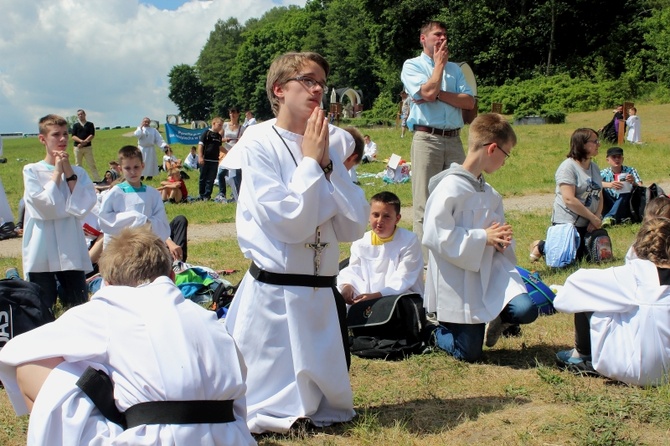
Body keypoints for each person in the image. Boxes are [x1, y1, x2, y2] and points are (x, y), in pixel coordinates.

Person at [0, 225, 255, 445]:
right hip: (231, 435)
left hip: (156, 438)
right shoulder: (208, 319)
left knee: (29, 368)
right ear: (172, 277)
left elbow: (19, 349)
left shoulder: (109, 307)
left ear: (107, 283)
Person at [223, 51, 369, 434]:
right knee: (264, 393)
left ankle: (318, 408)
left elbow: (354, 224)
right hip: (276, 290)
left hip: (320, 289)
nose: (318, 88)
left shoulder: (333, 141)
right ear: (279, 89)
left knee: (326, 403)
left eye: (322, 81)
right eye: (307, 80)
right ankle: (276, 412)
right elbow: (286, 222)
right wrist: (309, 163)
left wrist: (326, 165)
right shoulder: (257, 142)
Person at [423, 113, 539, 362]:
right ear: (493, 148)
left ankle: (498, 316)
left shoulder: (490, 193)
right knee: (469, 353)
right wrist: (481, 237)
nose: (506, 161)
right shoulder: (449, 189)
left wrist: (502, 240)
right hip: (458, 279)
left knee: (526, 310)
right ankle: (432, 331)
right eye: (506, 154)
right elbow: (435, 236)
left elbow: (497, 232)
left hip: (489, 268)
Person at [554, 217, 670, 386]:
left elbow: (575, 287)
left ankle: (583, 355)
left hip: (632, 371)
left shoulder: (634, 274)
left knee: (590, 294)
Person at [401, 20, 476, 262]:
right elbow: (426, 93)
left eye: (445, 34)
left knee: (461, 196)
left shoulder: (456, 69)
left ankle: (455, 256)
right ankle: (425, 263)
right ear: (423, 39)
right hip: (426, 139)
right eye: (437, 35)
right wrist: (438, 68)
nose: (442, 39)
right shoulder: (412, 66)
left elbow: (469, 102)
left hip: (454, 139)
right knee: (424, 202)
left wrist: (438, 94)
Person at [22, 114, 96, 309]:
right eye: (56, 135)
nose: (62, 139)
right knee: (43, 307)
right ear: (43, 139)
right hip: (42, 247)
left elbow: (83, 206)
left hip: (70, 245)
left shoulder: (78, 172)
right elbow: (43, 208)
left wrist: (68, 171)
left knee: (78, 304)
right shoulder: (32, 171)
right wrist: (56, 172)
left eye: (65, 134)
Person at [99, 145, 184, 262]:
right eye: (127, 168)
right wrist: (135, 219)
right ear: (120, 169)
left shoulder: (152, 193)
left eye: (136, 167)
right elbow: (105, 220)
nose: (133, 172)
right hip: (121, 252)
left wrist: (147, 223)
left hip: (147, 248)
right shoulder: (115, 193)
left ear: (143, 166)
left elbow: (162, 224)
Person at [530, 128, 604, 263]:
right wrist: (592, 217)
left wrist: (596, 218)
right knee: (567, 260)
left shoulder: (594, 167)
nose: (598, 144)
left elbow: (599, 193)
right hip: (569, 222)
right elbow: (569, 199)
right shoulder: (568, 167)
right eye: (595, 141)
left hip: (590, 222)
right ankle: (542, 246)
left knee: (591, 258)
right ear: (582, 144)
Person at [338, 191, 423, 305]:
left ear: (397, 218)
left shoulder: (408, 240)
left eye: (386, 216)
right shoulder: (361, 241)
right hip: (366, 297)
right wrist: (348, 286)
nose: (379, 221)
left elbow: (405, 277)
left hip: (398, 298)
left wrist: (377, 296)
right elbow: (354, 269)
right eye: (376, 215)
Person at [599, 146, 643, 226]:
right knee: (599, 190)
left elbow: (640, 187)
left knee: (627, 190)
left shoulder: (630, 170)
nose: (617, 159)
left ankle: (609, 217)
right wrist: (610, 185)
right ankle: (612, 216)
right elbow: (594, 184)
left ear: (622, 159)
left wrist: (633, 182)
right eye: (614, 157)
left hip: (626, 202)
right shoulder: (603, 173)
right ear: (608, 160)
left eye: (619, 157)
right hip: (610, 201)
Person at [220, 108, 244, 201]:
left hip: (236, 153)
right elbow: (219, 138)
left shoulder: (242, 128)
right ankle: (222, 193)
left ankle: (238, 193)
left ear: (238, 114)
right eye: (230, 113)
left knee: (237, 174)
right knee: (221, 173)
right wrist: (225, 139)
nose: (232, 115)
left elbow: (244, 140)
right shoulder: (225, 125)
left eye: (234, 113)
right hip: (226, 152)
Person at [71, 109, 101, 182]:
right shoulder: (75, 125)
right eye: (79, 115)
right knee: (78, 165)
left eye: (81, 114)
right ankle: (79, 181)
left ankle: (97, 180)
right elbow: (73, 136)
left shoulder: (90, 124)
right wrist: (81, 141)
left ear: (85, 114)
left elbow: (92, 135)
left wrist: (85, 142)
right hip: (77, 148)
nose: (80, 116)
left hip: (87, 147)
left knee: (92, 164)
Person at [198, 117, 224, 201]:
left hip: (215, 161)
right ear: (213, 123)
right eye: (219, 125)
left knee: (211, 179)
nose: (220, 127)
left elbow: (220, 147)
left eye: (221, 125)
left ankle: (207, 195)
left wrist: (229, 152)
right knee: (203, 178)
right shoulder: (206, 133)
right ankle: (202, 195)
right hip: (205, 159)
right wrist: (200, 157)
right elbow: (200, 145)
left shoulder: (219, 136)